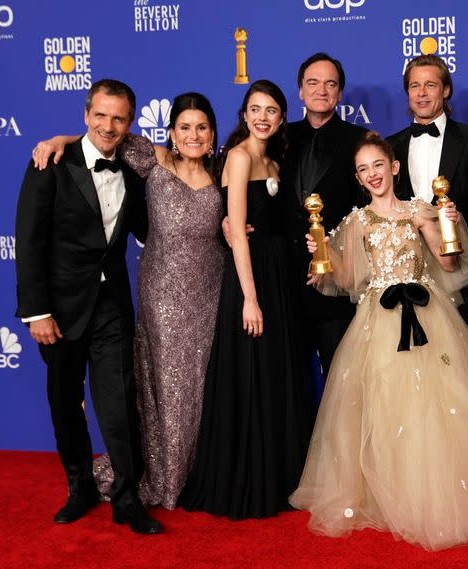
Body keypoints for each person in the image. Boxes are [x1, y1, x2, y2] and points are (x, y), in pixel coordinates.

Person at [289, 132, 468, 551]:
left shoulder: (418, 211)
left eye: (378, 165)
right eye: (362, 169)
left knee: (441, 404)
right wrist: (321, 255)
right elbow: (349, 276)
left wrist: (449, 224)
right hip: (378, 319)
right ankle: (391, 497)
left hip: (429, 315)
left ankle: (441, 494)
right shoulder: (356, 221)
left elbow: (447, 262)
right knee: (386, 405)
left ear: (393, 167)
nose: (372, 174)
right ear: (357, 178)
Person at [33, 93, 226, 510]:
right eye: (185, 127)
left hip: (212, 290)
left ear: (213, 133)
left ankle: (194, 473)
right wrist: (59, 140)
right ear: (171, 132)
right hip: (161, 292)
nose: (193, 135)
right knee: (164, 383)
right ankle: (161, 477)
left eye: (202, 127)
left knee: (201, 384)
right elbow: (104, 138)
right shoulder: (154, 160)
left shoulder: (224, 168)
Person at [15, 79, 162, 534]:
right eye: (100, 115)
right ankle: (79, 487)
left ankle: (126, 497)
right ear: (85, 114)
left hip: (111, 306)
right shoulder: (51, 163)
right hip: (58, 309)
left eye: (119, 117)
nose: (108, 125)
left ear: (130, 123)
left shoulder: (135, 172)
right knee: (64, 401)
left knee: (119, 403)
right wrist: (36, 311)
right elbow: (29, 239)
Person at [180, 80, 313, 519]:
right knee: (253, 373)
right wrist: (250, 299)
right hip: (251, 279)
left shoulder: (275, 160)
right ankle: (252, 483)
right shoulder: (237, 157)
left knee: (277, 374)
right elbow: (237, 231)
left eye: (272, 110)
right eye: (255, 109)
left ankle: (281, 478)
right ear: (243, 114)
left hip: (282, 278)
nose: (263, 117)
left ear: (281, 116)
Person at [387, 54, 468, 344]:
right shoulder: (390, 146)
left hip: (463, 275)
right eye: (414, 86)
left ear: (445, 91)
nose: (421, 94)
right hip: (408, 274)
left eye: (430, 85)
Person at [280, 52, 369, 383]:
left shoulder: (359, 140)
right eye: (312, 83)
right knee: (290, 381)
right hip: (284, 283)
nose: (321, 90)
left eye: (330, 83)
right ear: (300, 91)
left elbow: (368, 211)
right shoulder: (278, 138)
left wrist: (337, 258)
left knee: (342, 379)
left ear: (340, 93)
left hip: (336, 284)